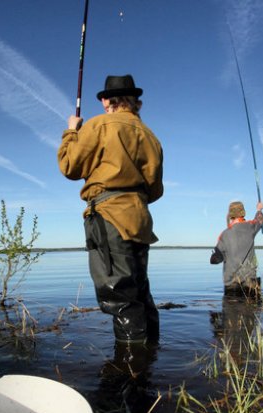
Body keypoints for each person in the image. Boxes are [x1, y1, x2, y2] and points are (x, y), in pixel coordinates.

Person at [57, 74, 163, 344]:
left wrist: (71, 131)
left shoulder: (98, 125)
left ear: (107, 101)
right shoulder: (151, 136)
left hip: (109, 216)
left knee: (119, 296)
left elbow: (70, 167)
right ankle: (152, 360)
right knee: (140, 292)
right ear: (135, 102)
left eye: (104, 99)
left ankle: (132, 369)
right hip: (139, 218)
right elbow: (155, 190)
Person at [210, 200, 263, 298]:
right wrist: (259, 209)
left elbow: (215, 260)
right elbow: (260, 220)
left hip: (232, 286)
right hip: (251, 283)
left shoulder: (225, 235)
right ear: (243, 213)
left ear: (230, 215)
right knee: (251, 310)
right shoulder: (251, 227)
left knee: (231, 311)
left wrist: (214, 256)